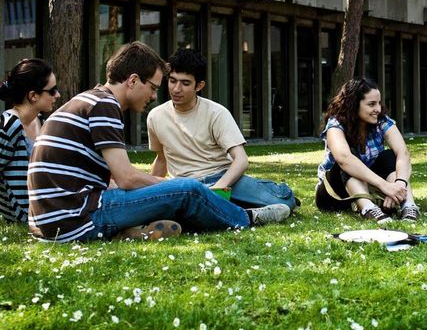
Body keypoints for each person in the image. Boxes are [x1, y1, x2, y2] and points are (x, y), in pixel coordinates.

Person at [27, 41, 289, 243]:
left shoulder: (88, 100)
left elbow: (113, 179)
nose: (155, 95)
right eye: (153, 87)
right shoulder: (105, 106)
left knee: (169, 192)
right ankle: (247, 218)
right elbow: (127, 178)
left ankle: (133, 230)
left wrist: (154, 191)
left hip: (54, 219)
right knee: (186, 189)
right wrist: (171, 185)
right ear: (132, 80)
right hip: (77, 219)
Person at [146, 48, 296, 212]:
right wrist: (147, 189)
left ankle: (224, 206)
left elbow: (241, 159)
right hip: (185, 184)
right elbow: (161, 159)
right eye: (172, 81)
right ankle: (237, 211)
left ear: (199, 85)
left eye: (185, 83)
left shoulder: (216, 113)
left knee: (285, 201)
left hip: (222, 178)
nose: (176, 89)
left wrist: (217, 189)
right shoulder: (156, 116)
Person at [316, 78, 420, 223]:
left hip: (368, 186)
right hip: (334, 194)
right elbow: (344, 159)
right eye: (371, 104)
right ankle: (369, 209)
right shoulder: (336, 124)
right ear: (353, 105)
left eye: (378, 103)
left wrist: (398, 186)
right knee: (349, 161)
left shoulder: (382, 121)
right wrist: (385, 186)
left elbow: (403, 153)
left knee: (389, 156)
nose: (377, 109)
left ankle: (408, 205)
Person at [0, 59, 61, 222]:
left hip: (48, 204)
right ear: (33, 96)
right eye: (52, 90)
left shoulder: (41, 121)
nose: (58, 95)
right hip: (26, 214)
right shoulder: (9, 126)